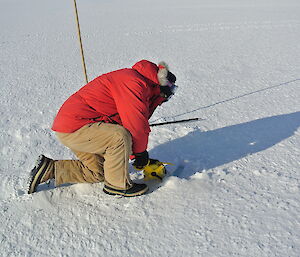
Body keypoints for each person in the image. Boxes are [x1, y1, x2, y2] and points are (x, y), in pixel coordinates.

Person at [28, 60, 177, 197]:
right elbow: (135, 125)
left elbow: (127, 123)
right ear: (161, 84)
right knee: (119, 137)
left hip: (80, 127)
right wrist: (140, 153)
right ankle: (118, 185)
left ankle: (51, 169)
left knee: (100, 172)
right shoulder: (134, 82)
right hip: (76, 126)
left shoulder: (139, 83)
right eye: (169, 92)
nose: (168, 97)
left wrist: (134, 155)